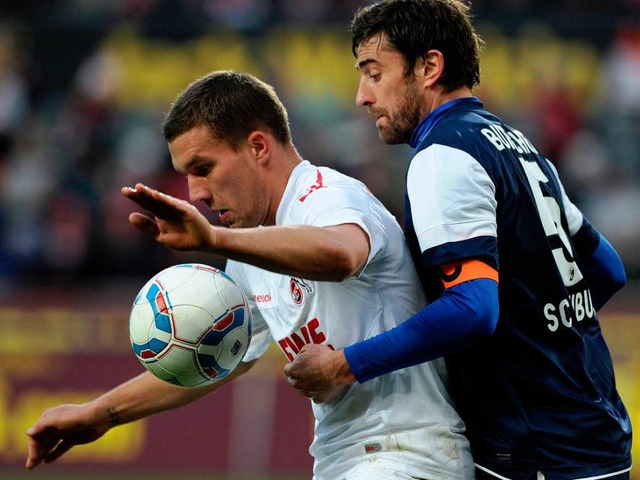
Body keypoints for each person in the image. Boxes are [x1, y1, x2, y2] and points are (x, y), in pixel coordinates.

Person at [25, 70, 475, 480]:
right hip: (347, 459)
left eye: (203, 169)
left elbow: (342, 255)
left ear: (258, 147)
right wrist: (101, 414)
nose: (197, 193)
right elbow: (214, 360)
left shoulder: (328, 196)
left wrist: (215, 242)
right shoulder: (254, 249)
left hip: (408, 455)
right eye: (186, 175)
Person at [284, 1, 633, 480]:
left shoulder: (444, 156)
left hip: (531, 448)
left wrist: (345, 365)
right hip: (595, 432)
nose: (362, 96)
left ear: (429, 66)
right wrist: (541, 332)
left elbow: (473, 308)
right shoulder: (517, 144)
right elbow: (606, 269)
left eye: (373, 72)